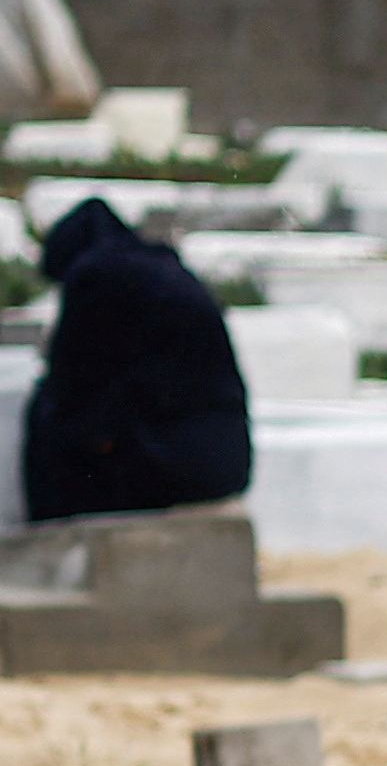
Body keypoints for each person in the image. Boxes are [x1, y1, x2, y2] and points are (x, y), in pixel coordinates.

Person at [20, 197, 252, 522]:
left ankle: (48, 541)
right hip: (223, 462)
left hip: (175, 465)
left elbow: (74, 382)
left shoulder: (97, 275)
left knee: (53, 428)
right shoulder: (160, 265)